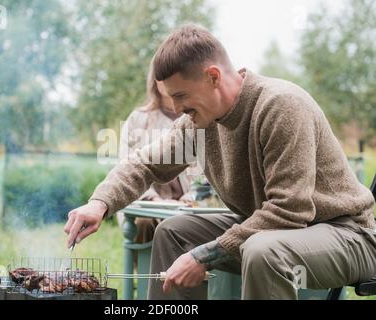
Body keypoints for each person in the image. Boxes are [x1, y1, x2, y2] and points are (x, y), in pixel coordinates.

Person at [64, 25, 376, 300]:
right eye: (171, 97)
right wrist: (99, 203)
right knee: (175, 233)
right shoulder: (199, 123)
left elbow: (289, 212)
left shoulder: (280, 106)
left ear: (213, 76)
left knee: (263, 251)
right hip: (271, 233)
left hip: (347, 235)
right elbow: (144, 164)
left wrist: (204, 256)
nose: (176, 107)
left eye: (181, 95)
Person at [116, 60, 194, 244]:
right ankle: (148, 273)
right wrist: (156, 201)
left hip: (190, 204)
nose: (164, 82)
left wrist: (190, 199)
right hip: (148, 204)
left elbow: (209, 172)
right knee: (143, 222)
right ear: (154, 81)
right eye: (159, 77)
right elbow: (127, 167)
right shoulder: (138, 120)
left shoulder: (198, 116)